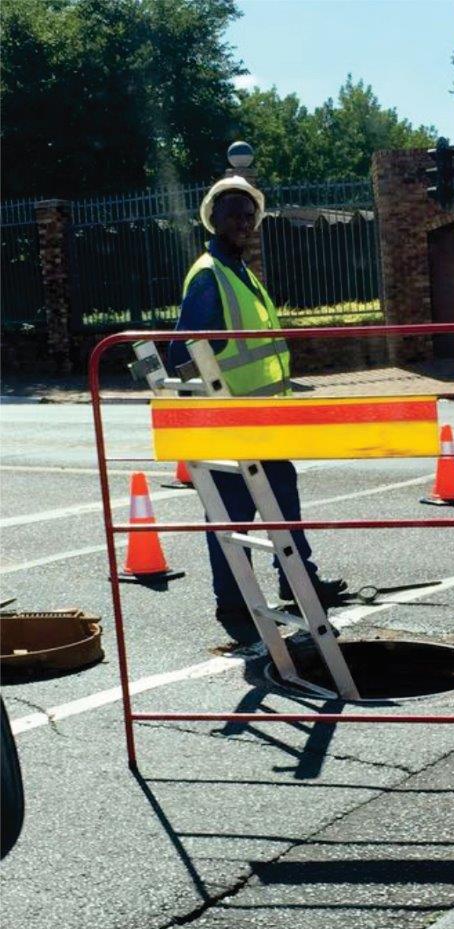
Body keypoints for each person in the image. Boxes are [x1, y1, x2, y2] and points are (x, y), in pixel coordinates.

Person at [169, 176, 346, 633]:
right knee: (231, 515)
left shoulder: (240, 272)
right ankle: (233, 605)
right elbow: (181, 356)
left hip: (264, 421)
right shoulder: (210, 275)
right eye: (233, 213)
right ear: (214, 218)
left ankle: (297, 582)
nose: (243, 221)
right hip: (229, 422)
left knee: (281, 494)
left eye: (249, 214)